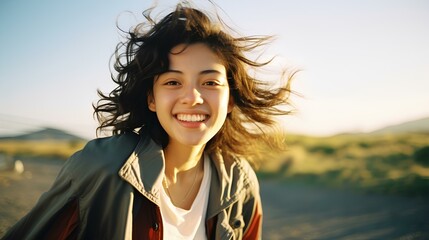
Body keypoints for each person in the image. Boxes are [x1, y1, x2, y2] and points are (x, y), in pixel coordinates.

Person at [2, 2, 293, 240]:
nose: (192, 97)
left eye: (210, 83)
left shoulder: (240, 183)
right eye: (172, 82)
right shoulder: (101, 169)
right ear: (151, 99)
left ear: (230, 99)